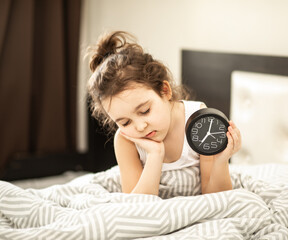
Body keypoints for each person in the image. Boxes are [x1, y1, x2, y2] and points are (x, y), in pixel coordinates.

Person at [87, 31, 241, 196]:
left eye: (145, 111)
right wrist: (154, 155)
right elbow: (135, 206)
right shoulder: (125, 140)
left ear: (164, 91)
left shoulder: (197, 119)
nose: (140, 126)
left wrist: (221, 160)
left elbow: (216, 197)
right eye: (125, 122)